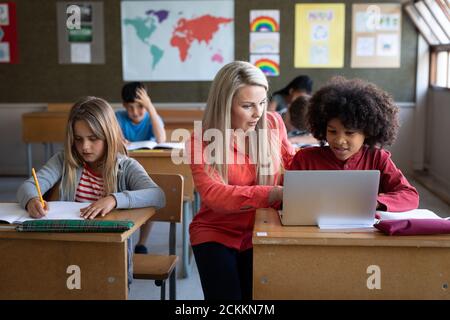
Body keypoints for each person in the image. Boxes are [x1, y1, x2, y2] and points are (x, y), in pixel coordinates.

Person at [17, 96, 166, 285]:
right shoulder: (64, 160)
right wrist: (31, 200)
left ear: (109, 134)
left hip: (111, 255)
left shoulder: (125, 166)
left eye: (93, 138)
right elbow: (28, 186)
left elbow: (158, 195)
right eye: (78, 139)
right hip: (67, 251)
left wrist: (114, 199)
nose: (84, 147)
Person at [187, 61, 295, 300]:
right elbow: (215, 195)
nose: (258, 113)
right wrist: (272, 193)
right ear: (224, 105)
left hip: (265, 229)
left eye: (262, 102)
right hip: (215, 233)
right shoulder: (199, 141)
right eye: (247, 106)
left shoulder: (273, 123)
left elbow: (293, 166)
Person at [290, 76, 419, 212]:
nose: (339, 140)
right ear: (323, 128)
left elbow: (410, 195)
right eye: (332, 131)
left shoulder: (377, 159)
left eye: (350, 133)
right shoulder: (305, 159)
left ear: (367, 132)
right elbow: (286, 198)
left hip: (365, 231)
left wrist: (376, 203)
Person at [116, 82, 167, 254]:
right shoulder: (118, 117)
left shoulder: (152, 118)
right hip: (123, 170)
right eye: (131, 108)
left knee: (149, 197)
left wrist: (150, 108)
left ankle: (142, 242)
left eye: (140, 107)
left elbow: (161, 140)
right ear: (124, 105)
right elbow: (114, 139)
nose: (136, 112)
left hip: (147, 171)